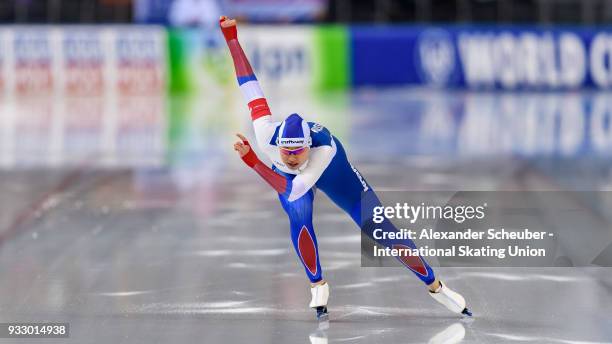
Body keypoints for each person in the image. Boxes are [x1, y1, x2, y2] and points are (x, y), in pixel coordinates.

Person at [219, 16, 472, 320]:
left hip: (334, 174)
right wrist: (232, 39)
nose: (290, 159)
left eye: (297, 153)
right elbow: (249, 84)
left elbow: (293, 186)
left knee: (380, 231)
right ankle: (318, 285)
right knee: (299, 215)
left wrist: (252, 162)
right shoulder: (265, 134)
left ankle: (437, 287)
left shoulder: (324, 149)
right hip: (290, 180)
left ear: (307, 146)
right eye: (285, 153)